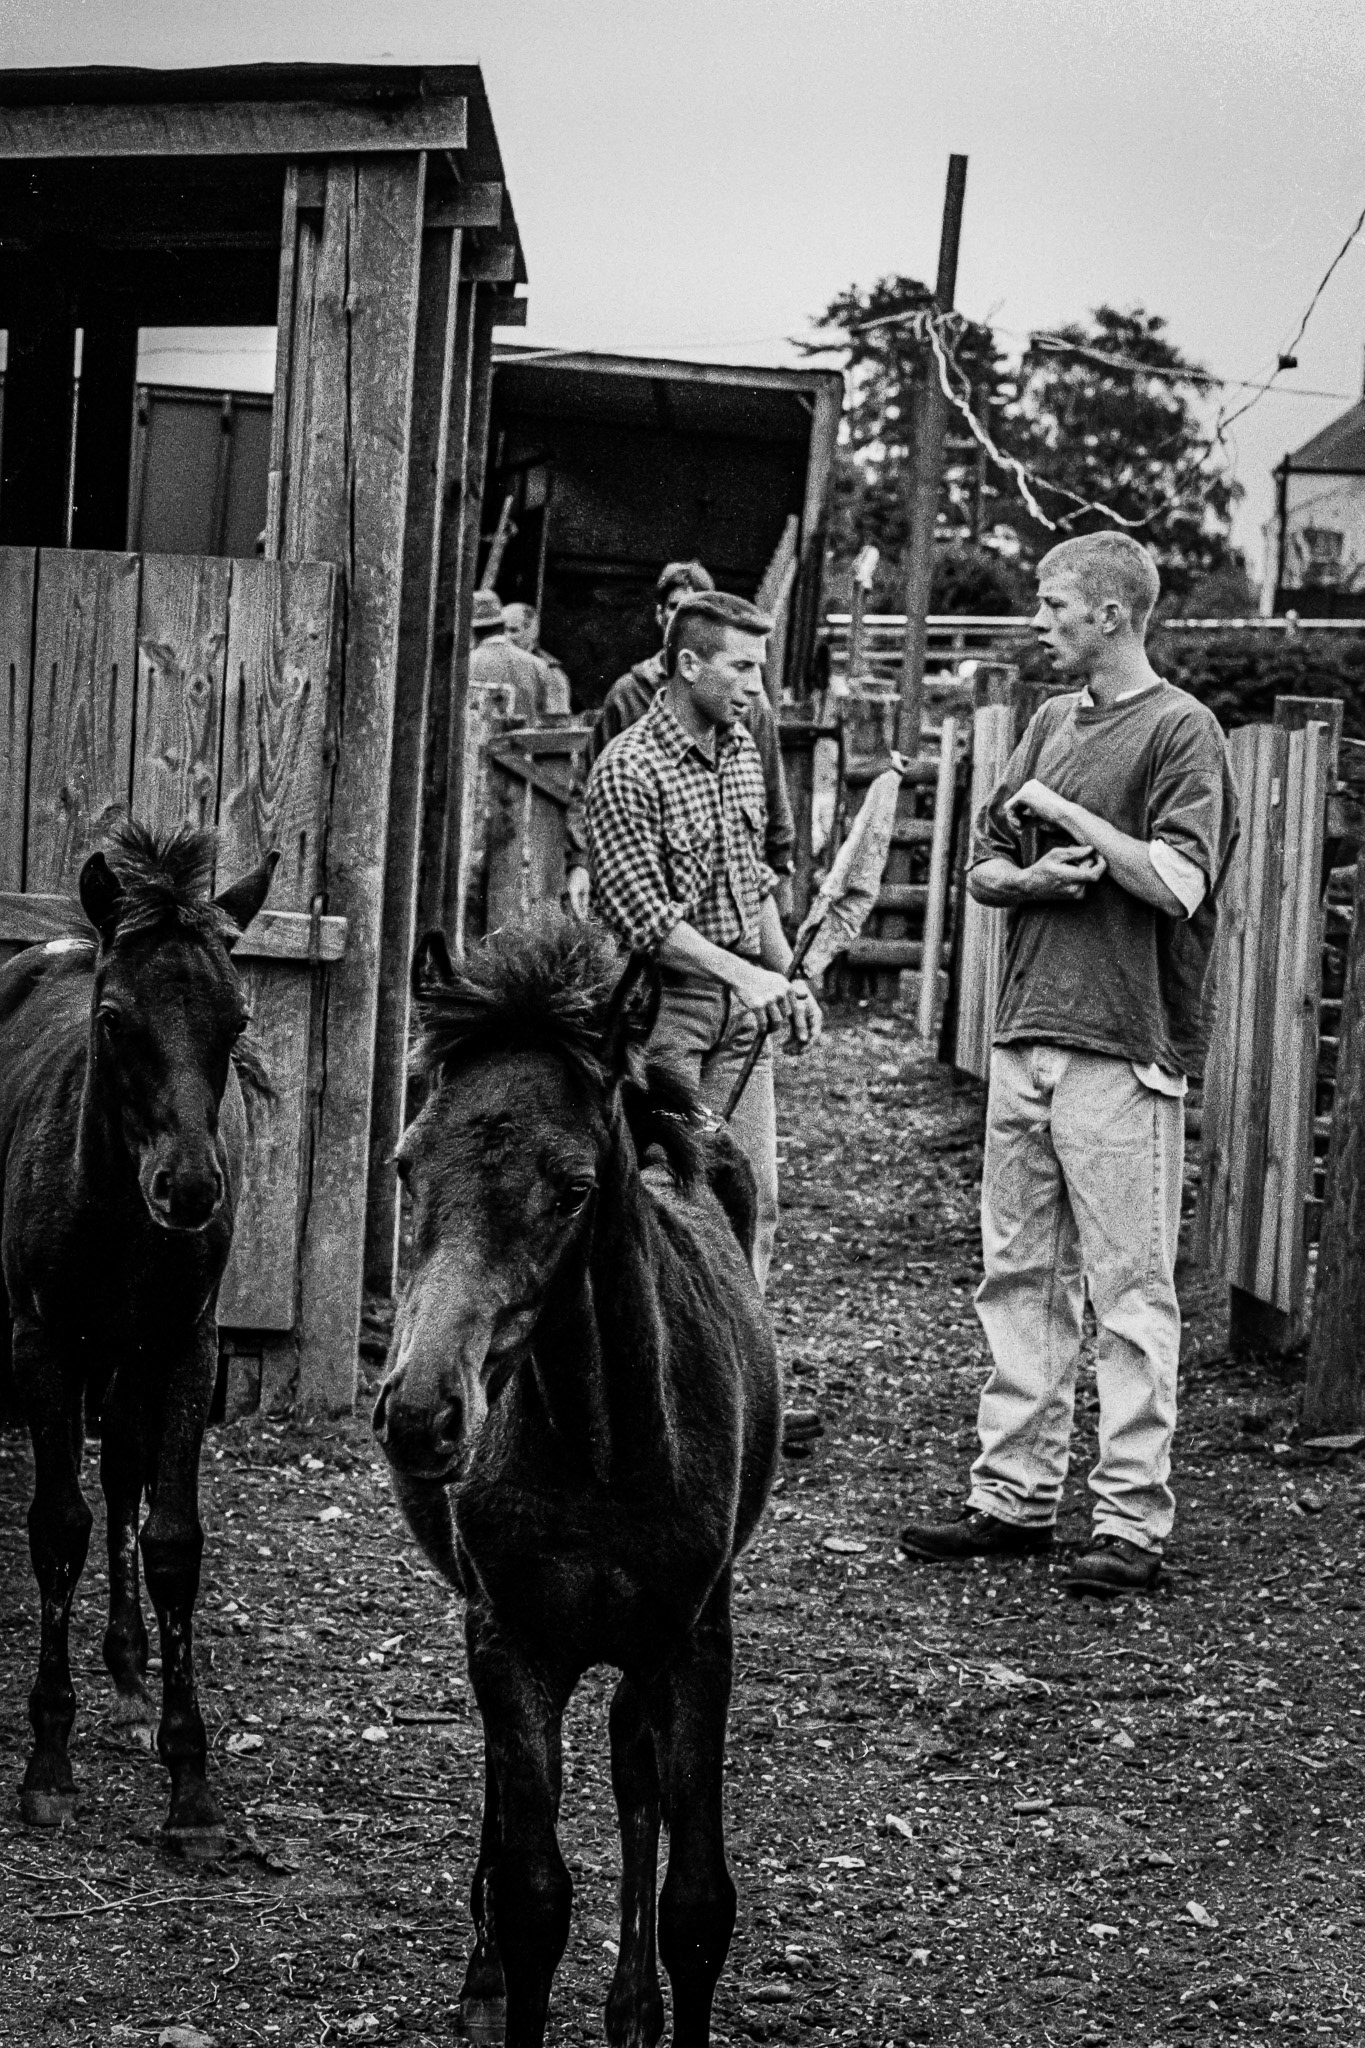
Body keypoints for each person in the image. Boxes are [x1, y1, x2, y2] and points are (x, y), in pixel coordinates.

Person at [898, 532, 1238, 1596]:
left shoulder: (1182, 729)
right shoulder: (1049, 721)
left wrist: (1063, 811)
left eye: (1054, 605)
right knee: (1019, 1277)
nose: (1039, 622)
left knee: (1129, 1290)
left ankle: (1131, 1520)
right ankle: (1013, 1496)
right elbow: (985, 867)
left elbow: (1177, 882)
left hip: (1122, 1047)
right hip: (1025, 1030)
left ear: (1112, 614)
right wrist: (1032, 879)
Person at [584, 590, 822, 1292]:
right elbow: (644, 921)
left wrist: (787, 977)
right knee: (666, 1206)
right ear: (689, 665)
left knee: (753, 1202)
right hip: (662, 1019)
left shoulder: (742, 750)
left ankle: (741, 1357)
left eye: (760, 668)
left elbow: (753, 883)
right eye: (741, 668)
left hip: (740, 1018)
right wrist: (744, 976)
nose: (757, 687)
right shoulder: (627, 769)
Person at [567, 560, 796, 916]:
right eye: (675, 607)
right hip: (645, 878)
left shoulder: (747, 704)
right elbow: (589, 784)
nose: (681, 617)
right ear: (660, 615)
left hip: (722, 886)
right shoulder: (629, 695)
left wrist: (781, 869)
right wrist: (580, 860)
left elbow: (769, 787)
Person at [468, 589, 555, 723]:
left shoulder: (463, 666)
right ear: (502, 624)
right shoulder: (537, 665)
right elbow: (550, 720)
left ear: (471, 631)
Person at [503, 601, 572, 717]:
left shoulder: (551, 674)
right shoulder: (495, 664)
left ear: (532, 632)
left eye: (513, 630)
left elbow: (556, 720)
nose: (507, 637)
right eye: (502, 631)